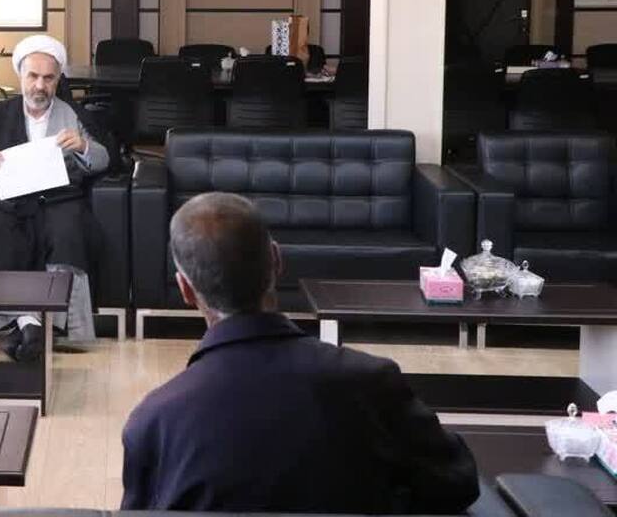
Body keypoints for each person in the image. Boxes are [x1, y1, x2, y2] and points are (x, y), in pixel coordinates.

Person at [121, 193, 480, 514]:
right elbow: (458, 483)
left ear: (185, 289)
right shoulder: (371, 382)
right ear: (277, 260)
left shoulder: (154, 422)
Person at [0, 35, 112, 361]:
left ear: (58, 79)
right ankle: (27, 324)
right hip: (7, 201)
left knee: (68, 233)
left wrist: (83, 146)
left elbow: (107, 157)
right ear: (21, 76)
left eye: (48, 78)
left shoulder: (72, 114)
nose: (40, 86)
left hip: (60, 199)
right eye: (33, 76)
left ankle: (48, 326)